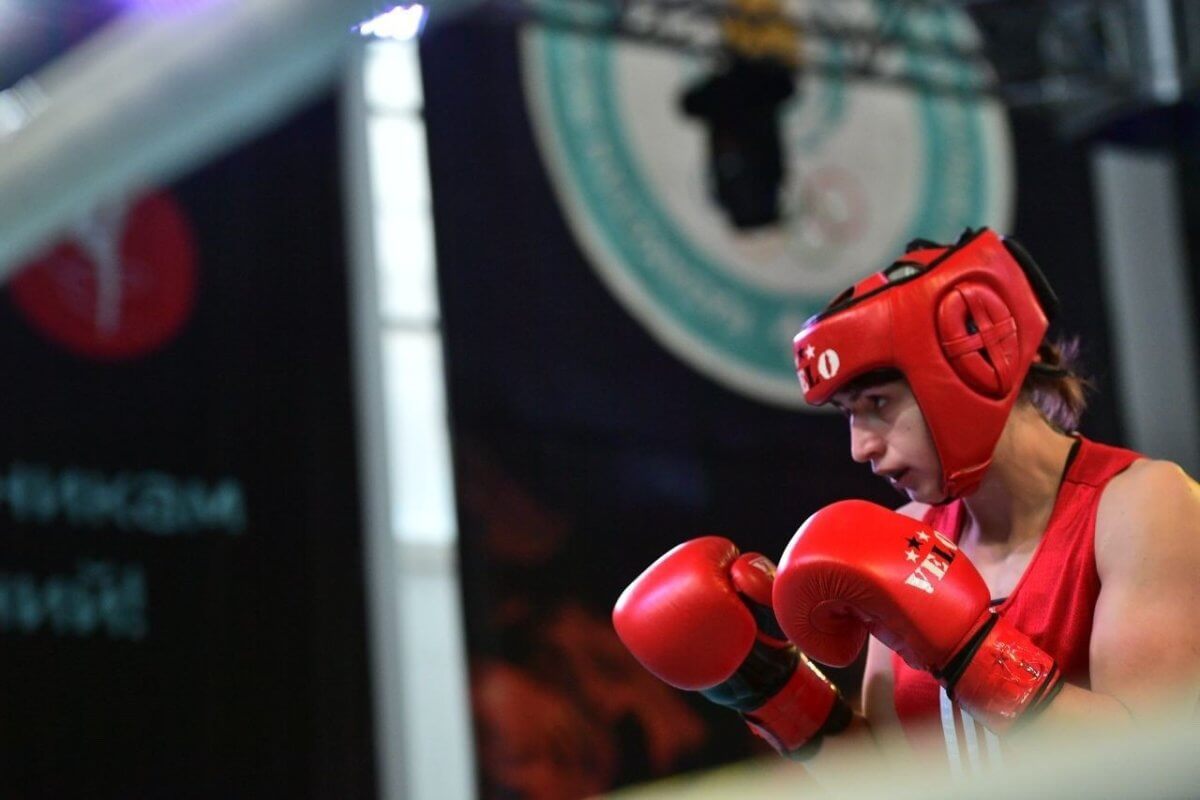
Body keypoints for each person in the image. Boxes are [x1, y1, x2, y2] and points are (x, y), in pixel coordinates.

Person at [614, 228, 1200, 781]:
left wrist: (969, 650)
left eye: (878, 403)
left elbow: (1155, 769)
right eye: (849, 414)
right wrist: (772, 688)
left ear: (974, 365)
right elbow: (892, 781)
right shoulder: (913, 536)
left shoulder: (1141, 508)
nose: (861, 447)